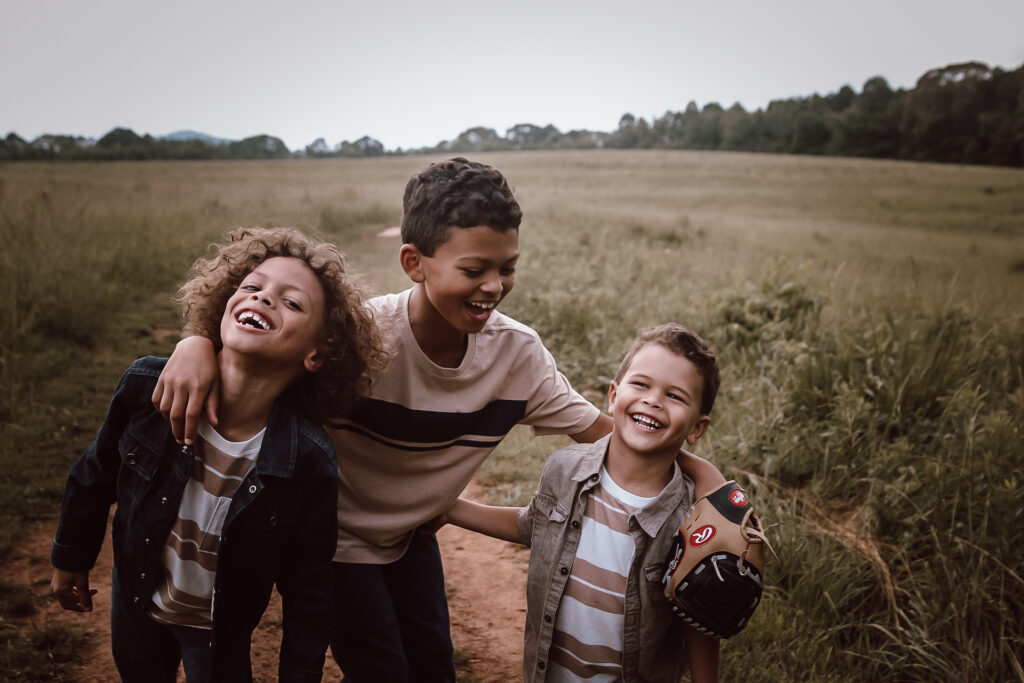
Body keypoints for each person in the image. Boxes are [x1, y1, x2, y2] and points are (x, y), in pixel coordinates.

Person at [151, 158, 724, 682]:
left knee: (434, 668)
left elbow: (612, 433)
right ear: (414, 263)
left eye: (507, 268)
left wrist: (711, 484)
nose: (495, 286)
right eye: (475, 269)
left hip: (412, 538)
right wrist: (195, 344)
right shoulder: (362, 339)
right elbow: (262, 359)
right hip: (332, 541)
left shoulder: (517, 356)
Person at [50, 228, 386, 682]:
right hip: (136, 602)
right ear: (225, 303)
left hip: (220, 629)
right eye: (252, 287)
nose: (264, 298)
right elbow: (94, 475)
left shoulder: (308, 458)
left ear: (317, 352)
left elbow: (308, 588)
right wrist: (71, 556)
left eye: (291, 303)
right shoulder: (146, 389)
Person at [437, 323, 723, 683]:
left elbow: (697, 617)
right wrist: (452, 510)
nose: (653, 400)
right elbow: (533, 526)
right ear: (614, 395)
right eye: (641, 384)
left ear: (697, 428)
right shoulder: (565, 469)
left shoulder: (693, 519)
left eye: (675, 396)